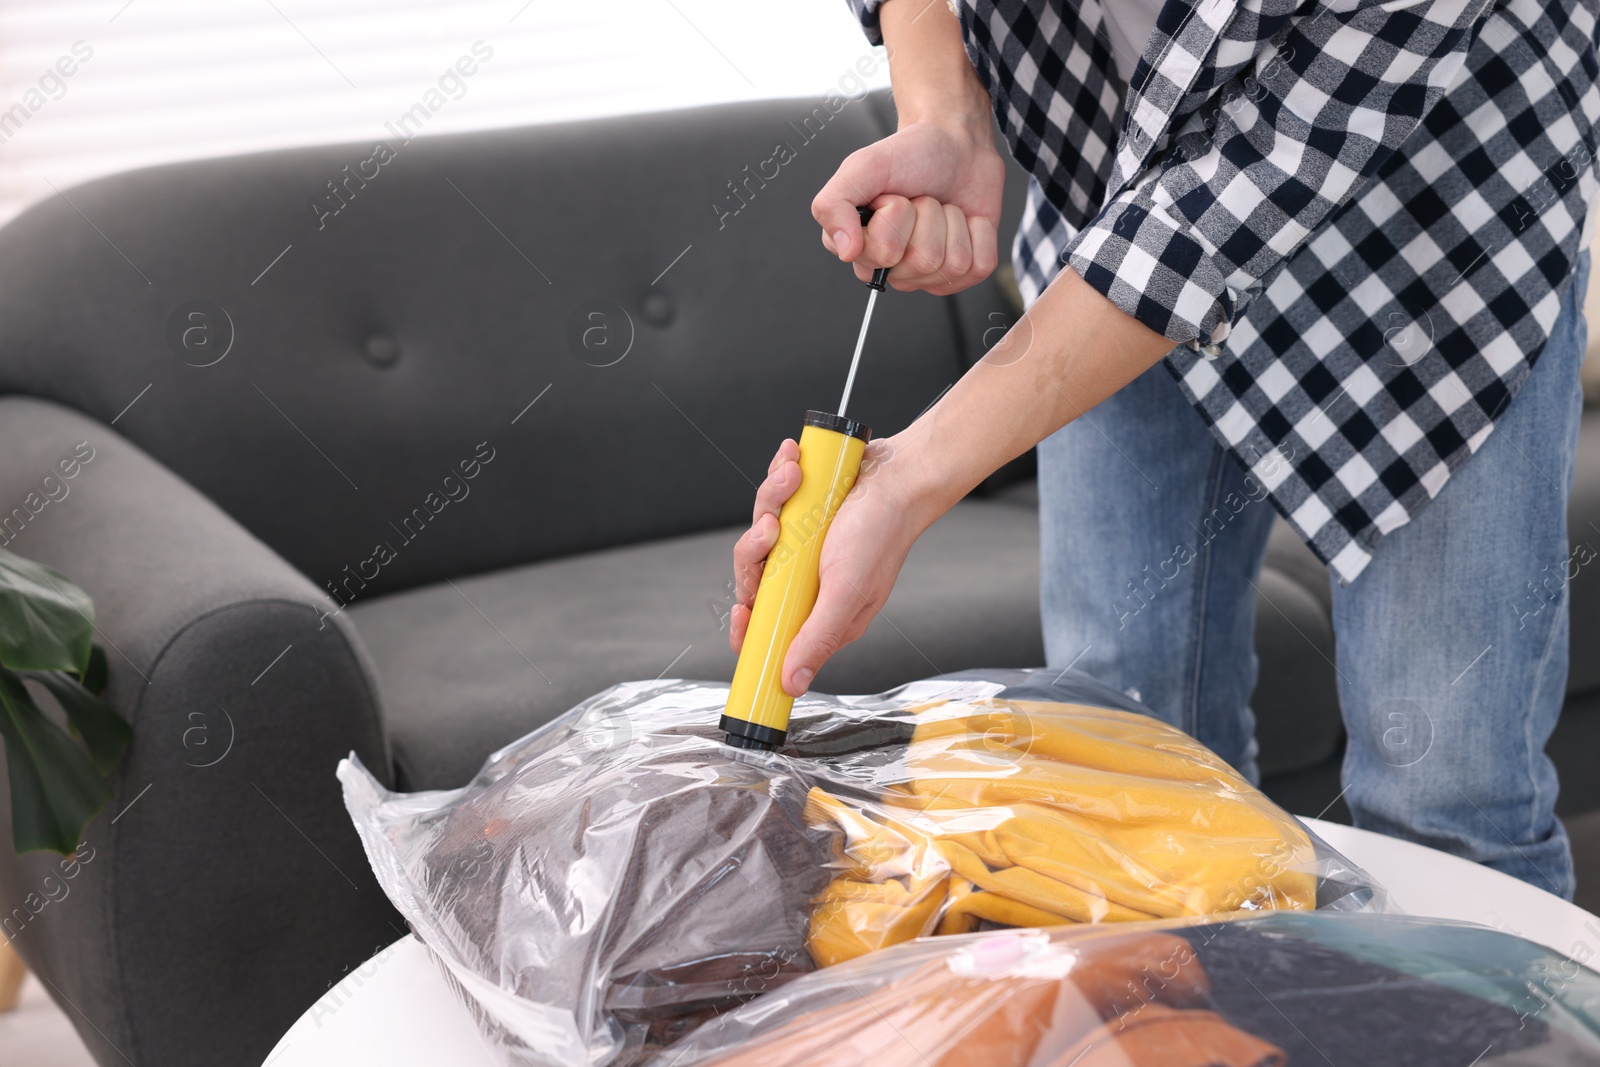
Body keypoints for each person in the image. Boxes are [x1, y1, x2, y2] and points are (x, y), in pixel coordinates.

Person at [729, 0, 1599, 898]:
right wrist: (943, 114)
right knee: (1122, 773)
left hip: (1437, 232)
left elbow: (1246, 185)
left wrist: (909, 481)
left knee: (1442, 800)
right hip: (1108, 185)